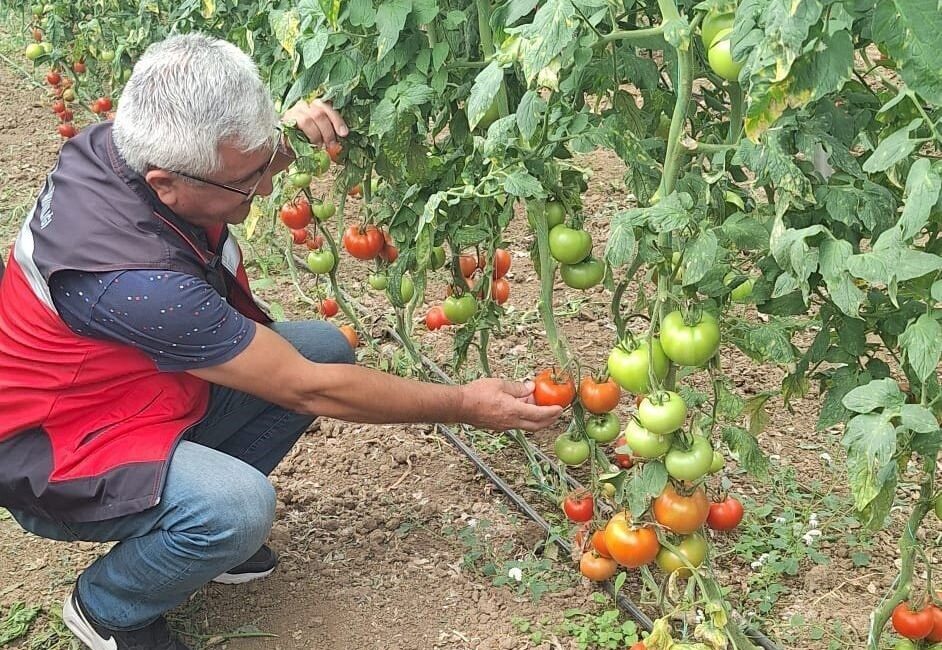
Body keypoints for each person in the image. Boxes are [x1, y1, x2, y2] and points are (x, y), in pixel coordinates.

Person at [0, 33, 562, 650]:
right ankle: (108, 606)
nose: (267, 189)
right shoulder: (135, 283)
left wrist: (282, 133)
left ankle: (199, 540)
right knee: (239, 506)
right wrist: (463, 405)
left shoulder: (126, 142)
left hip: (127, 392)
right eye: (250, 180)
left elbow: (307, 357)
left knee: (322, 344)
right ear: (166, 184)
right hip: (56, 452)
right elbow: (311, 389)